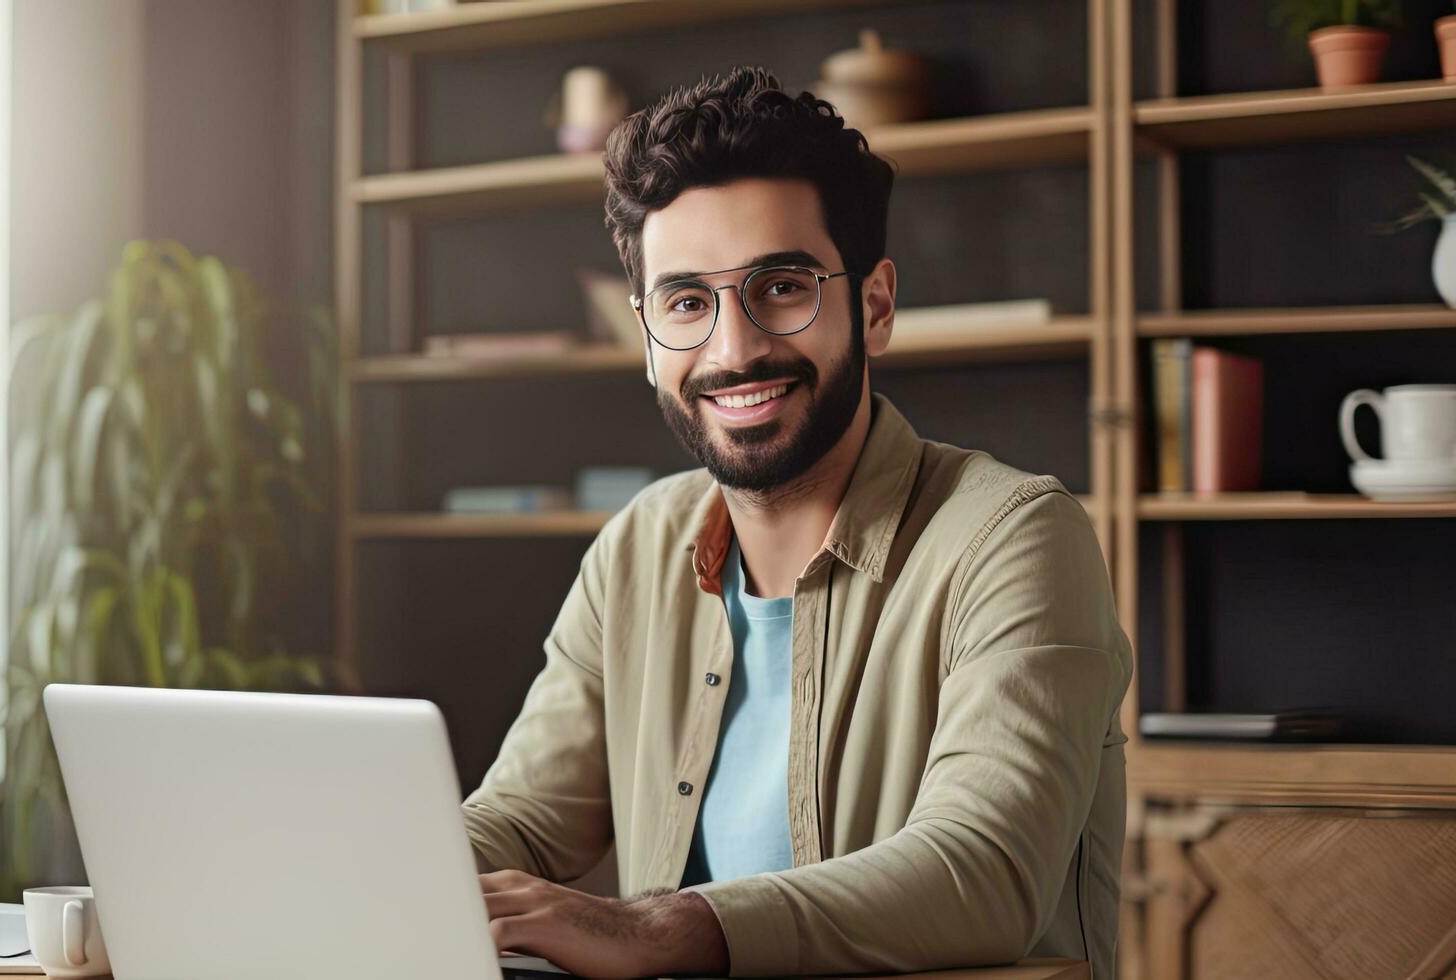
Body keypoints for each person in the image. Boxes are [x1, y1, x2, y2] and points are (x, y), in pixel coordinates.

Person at [463, 66, 1132, 980]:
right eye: (687, 302)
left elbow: (984, 871)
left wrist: (655, 929)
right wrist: (362, 867)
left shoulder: (1013, 536)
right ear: (648, 333)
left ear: (874, 305)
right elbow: (519, 825)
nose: (733, 350)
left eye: (780, 287)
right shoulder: (639, 545)